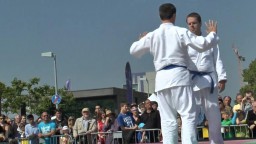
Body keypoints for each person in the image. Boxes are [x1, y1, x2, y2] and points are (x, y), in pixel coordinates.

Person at [130, 3, 219, 144]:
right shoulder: (180, 31)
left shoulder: (153, 35)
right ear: (174, 16)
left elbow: (134, 50)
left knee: (167, 120)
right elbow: (202, 44)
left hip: (161, 80)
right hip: (179, 76)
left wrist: (143, 40)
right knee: (188, 116)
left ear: (160, 16)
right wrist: (213, 34)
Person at [186, 12, 227, 144]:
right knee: (191, 115)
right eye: (189, 23)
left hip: (209, 81)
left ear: (199, 24)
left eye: (194, 23)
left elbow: (218, 59)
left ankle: (216, 142)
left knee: (214, 115)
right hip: (192, 82)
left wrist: (222, 78)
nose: (192, 26)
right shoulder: (185, 42)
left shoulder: (211, 40)